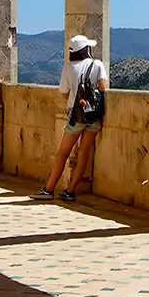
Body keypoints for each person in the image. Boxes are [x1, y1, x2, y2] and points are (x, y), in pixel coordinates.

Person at [30, 34, 108, 202]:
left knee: (63, 153)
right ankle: (70, 191)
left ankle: (48, 189)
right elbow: (103, 87)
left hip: (76, 115)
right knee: (84, 152)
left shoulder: (68, 68)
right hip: (93, 114)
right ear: (86, 49)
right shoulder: (98, 64)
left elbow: (64, 94)